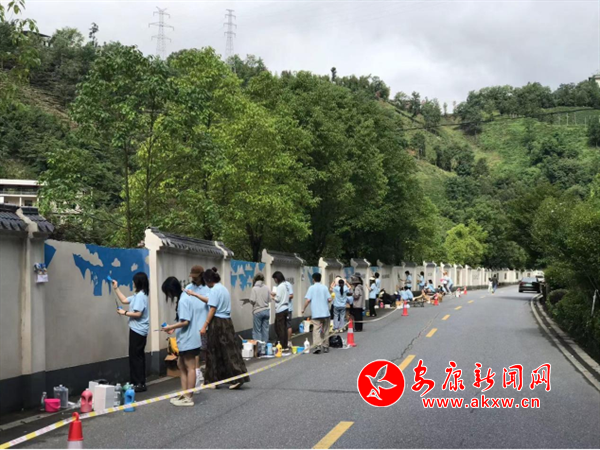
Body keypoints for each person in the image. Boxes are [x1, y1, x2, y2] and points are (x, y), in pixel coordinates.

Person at [201, 268, 249, 390]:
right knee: (230, 350)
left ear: (208, 280)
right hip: (227, 321)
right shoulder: (224, 289)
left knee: (213, 351)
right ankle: (237, 376)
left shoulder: (214, 290)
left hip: (217, 322)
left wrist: (205, 325)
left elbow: (212, 308)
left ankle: (213, 380)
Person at [161, 276, 206, 407]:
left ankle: (189, 397)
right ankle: (185, 393)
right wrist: (173, 328)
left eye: (167, 292)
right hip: (186, 339)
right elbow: (183, 321)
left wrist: (171, 327)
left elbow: (186, 321)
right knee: (181, 365)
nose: (168, 296)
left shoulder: (183, 300)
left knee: (190, 367)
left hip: (189, 339)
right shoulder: (184, 297)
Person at [113, 272, 149, 392]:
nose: (132, 283)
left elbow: (138, 314)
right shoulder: (138, 295)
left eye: (134, 281)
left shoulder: (140, 296)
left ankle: (139, 383)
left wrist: (124, 313)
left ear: (138, 282)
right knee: (136, 356)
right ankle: (137, 382)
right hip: (137, 329)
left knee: (136, 357)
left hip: (138, 330)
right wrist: (116, 288)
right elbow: (124, 300)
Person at [182, 265, 210, 387]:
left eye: (196, 277)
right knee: (195, 351)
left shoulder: (207, 288)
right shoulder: (189, 287)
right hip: (192, 324)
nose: (193, 279)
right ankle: (197, 374)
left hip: (203, 323)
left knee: (206, 350)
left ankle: (209, 372)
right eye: (192, 276)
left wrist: (195, 295)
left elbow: (210, 301)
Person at [302, 272, 332, 354]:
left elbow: (308, 300)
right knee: (326, 330)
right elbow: (329, 299)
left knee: (316, 330)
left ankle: (318, 345)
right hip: (325, 313)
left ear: (313, 279)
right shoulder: (325, 287)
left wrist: (303, 309)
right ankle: (325, 346)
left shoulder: (311, 288)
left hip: (316, 313)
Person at [249, 273, 271, 344]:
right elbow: (269, 299)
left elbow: (252, 300)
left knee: (257, 331)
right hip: (266, 311)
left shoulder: (254, 289)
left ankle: (259, 347)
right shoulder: (267, 288)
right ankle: (265, 346)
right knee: (265, 330)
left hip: (257, 311)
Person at [271, 271, 289, 349]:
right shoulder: (286, 285)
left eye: (275, 279)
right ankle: (284, 344)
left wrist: (273, 297)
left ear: (277, 278)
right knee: (284, 328)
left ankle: (281, 345)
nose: (274, 280)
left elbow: (278, 299)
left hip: (280, 310)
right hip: (286, 308)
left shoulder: (280, 286)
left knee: (279, 328)